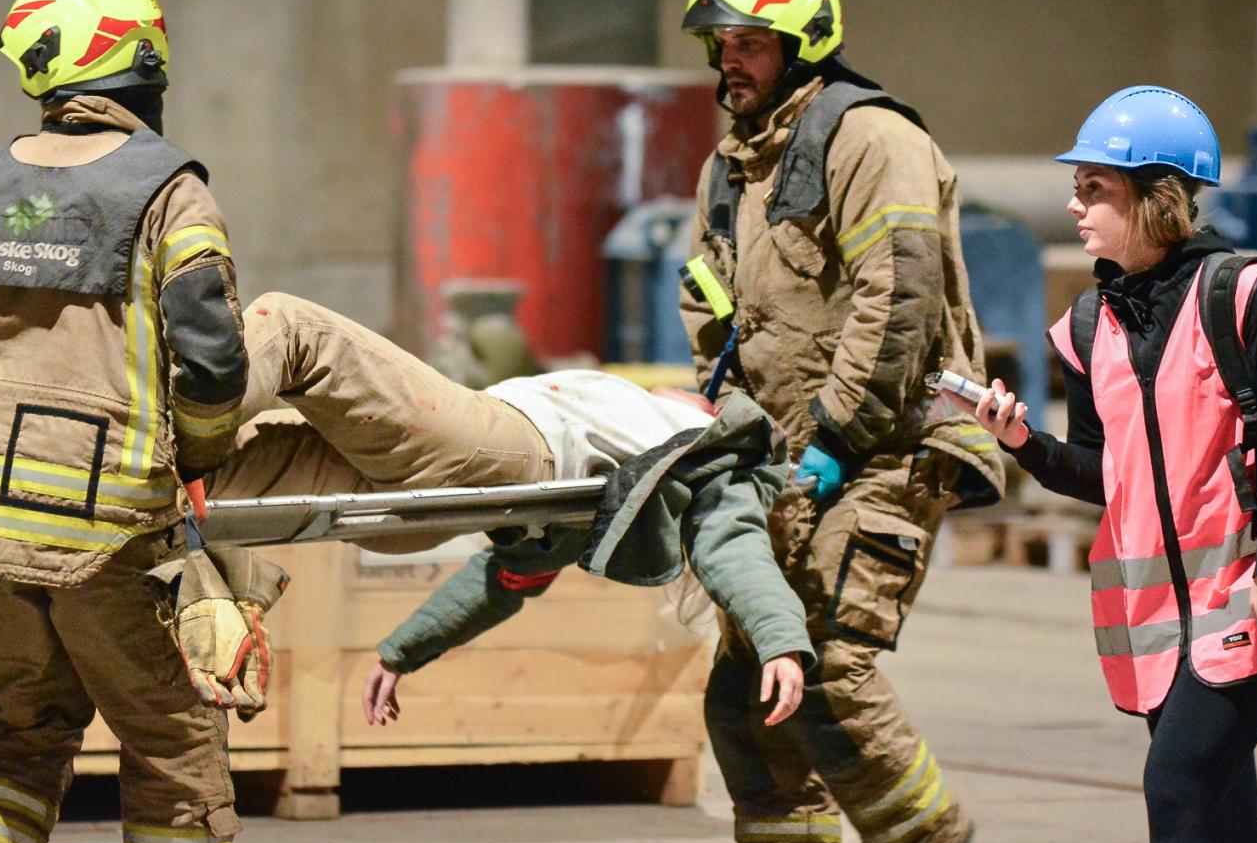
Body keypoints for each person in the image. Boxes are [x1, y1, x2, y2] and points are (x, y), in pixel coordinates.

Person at [0, 0, 258, 843]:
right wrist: (200, 459)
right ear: (138, 55)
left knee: (21, 730)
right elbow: (212, 359)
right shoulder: (167, 189)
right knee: (176, 751)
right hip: (105, 535)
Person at [678, 0, 1005, 843]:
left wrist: (831, 437)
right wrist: (730, 428)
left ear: (801, 39)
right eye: (720, 39)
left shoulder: (872, 140)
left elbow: (897, 301)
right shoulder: (734, 165)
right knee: (748, 697)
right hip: (785, 465)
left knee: (822, 671)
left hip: (886, 451)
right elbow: (714, 308)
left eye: (749, 40)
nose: (727, 58)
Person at [948, 86, 1257, 843]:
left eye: (1094, 188)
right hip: (1157, 616)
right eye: (1076, 186)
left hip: (1246, 594)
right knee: (1220, 810)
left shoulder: (1245, 294)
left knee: (1177, 788)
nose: (1074, 205)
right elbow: (1102, 473)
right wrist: (1025, 443)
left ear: (1158, 199)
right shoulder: (1093, 323)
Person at [198, 292, 815, 728]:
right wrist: (401, 651)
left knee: (291, 326)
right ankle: (139, 464)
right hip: (458, 472)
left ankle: (170, 427)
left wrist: (780, 640)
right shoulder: (633, 444)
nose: (696, 387)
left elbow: (733, 548)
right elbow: (505, 581)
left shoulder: (717, 450)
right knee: (232, 465)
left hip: (495, 447)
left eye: (708, 394)